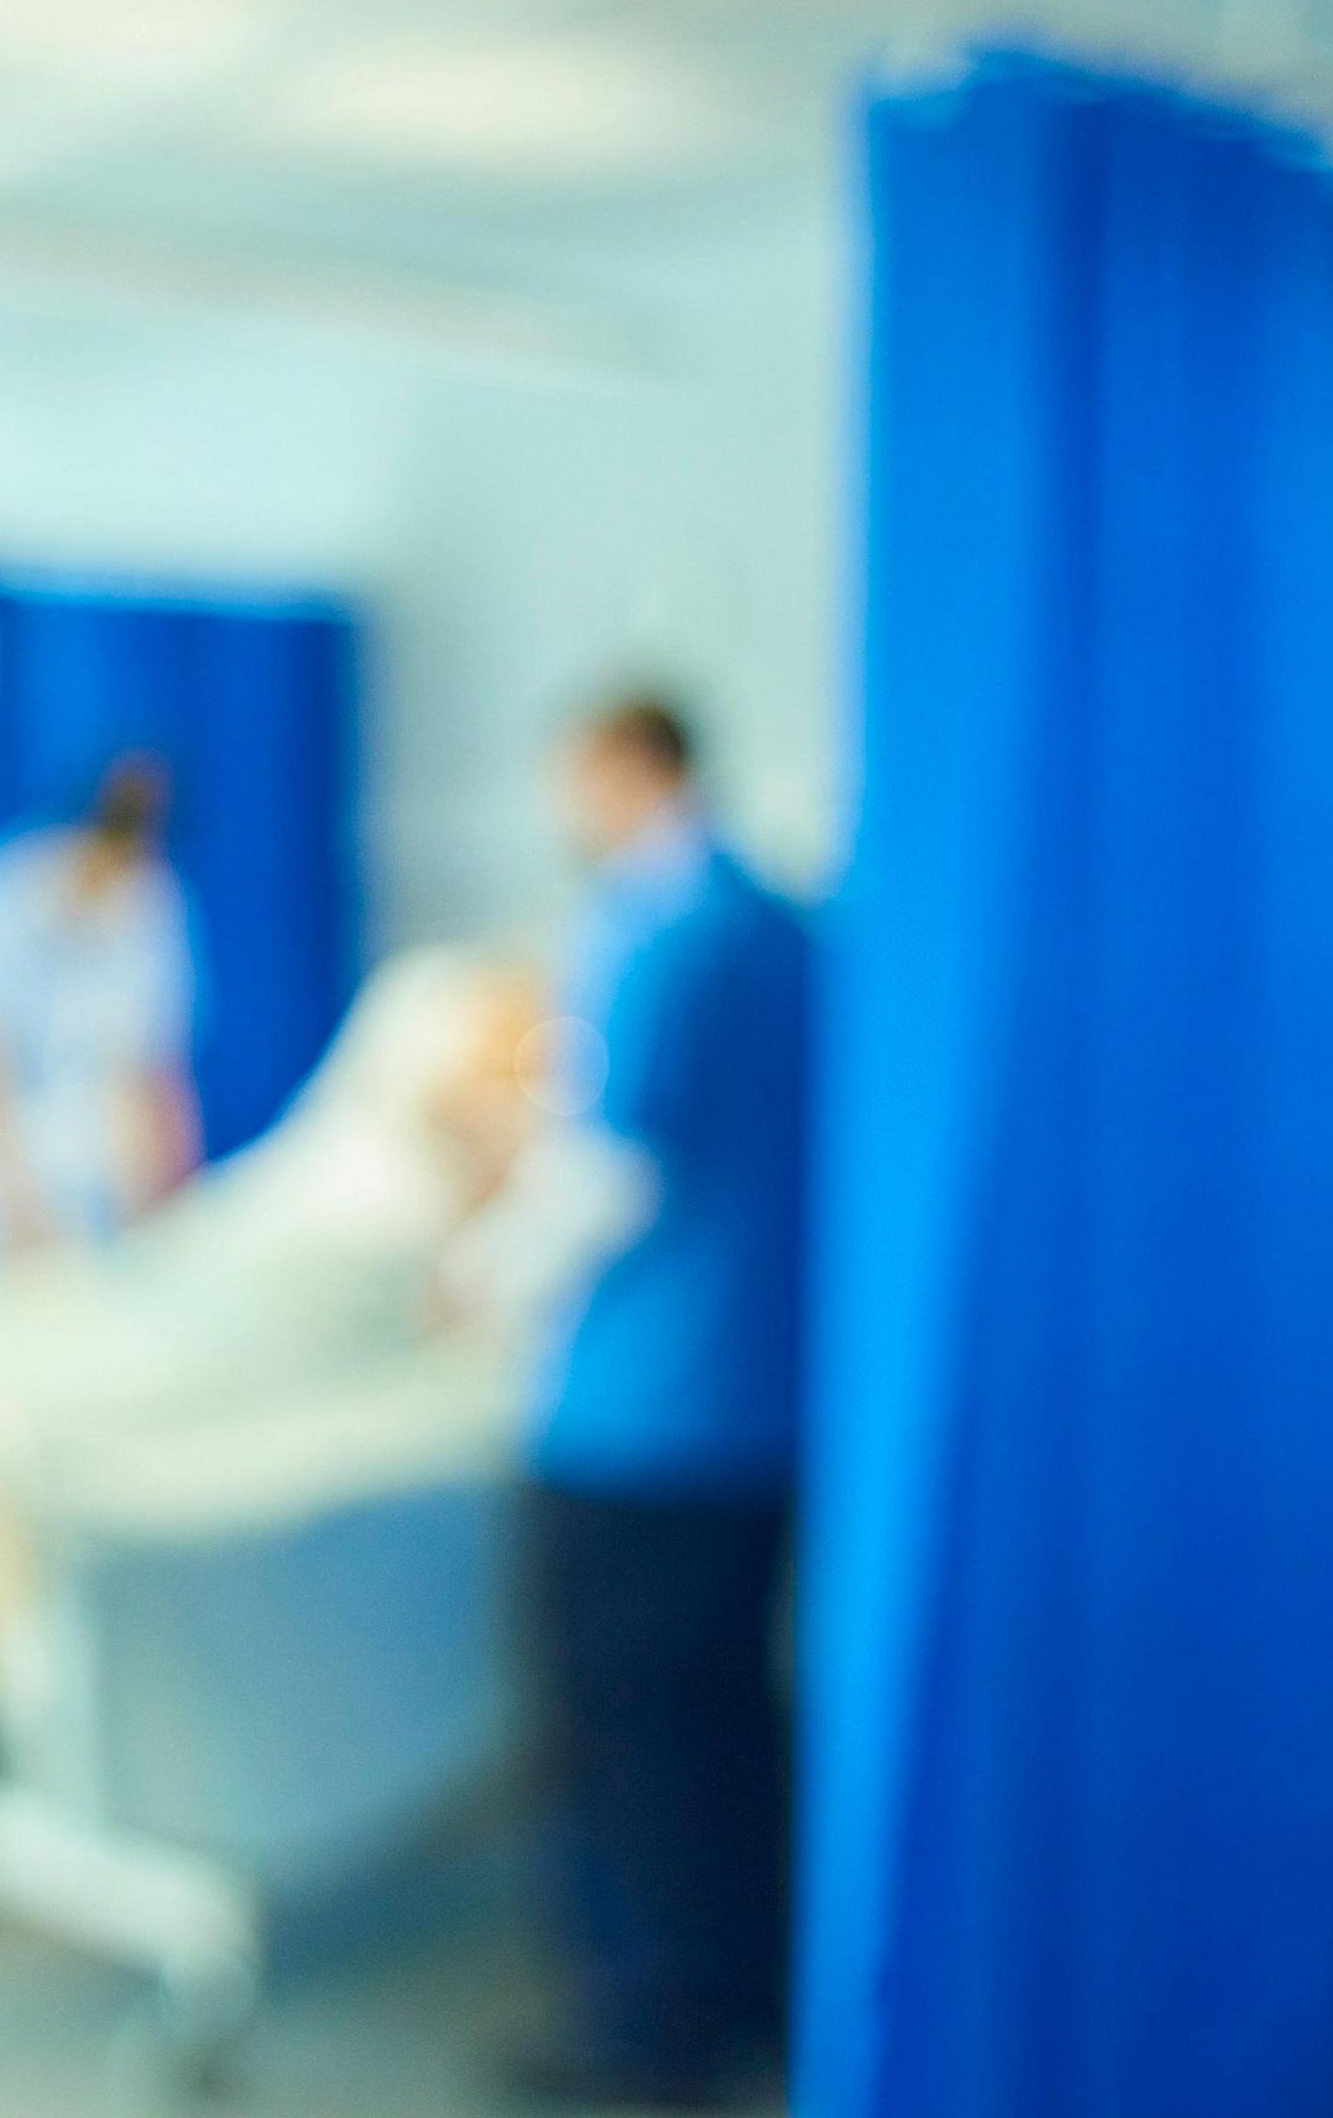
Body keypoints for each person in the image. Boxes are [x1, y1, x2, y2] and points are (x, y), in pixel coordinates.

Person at [511, 695, 813, 2111]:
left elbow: (611, 1171)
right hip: (763, 1414)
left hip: (641, 1420)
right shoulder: (789, 927)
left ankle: (648, 2025)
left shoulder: (657, 931)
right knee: (733, 1717)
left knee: (627, 1730)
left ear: (630, 767)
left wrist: (476, 1272)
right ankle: (748, 1985)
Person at [0, 752, 204, 1268]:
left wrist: (173, 1212)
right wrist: (18, 1215)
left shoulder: (151, 904)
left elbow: (157, 1073)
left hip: (91, 1208)